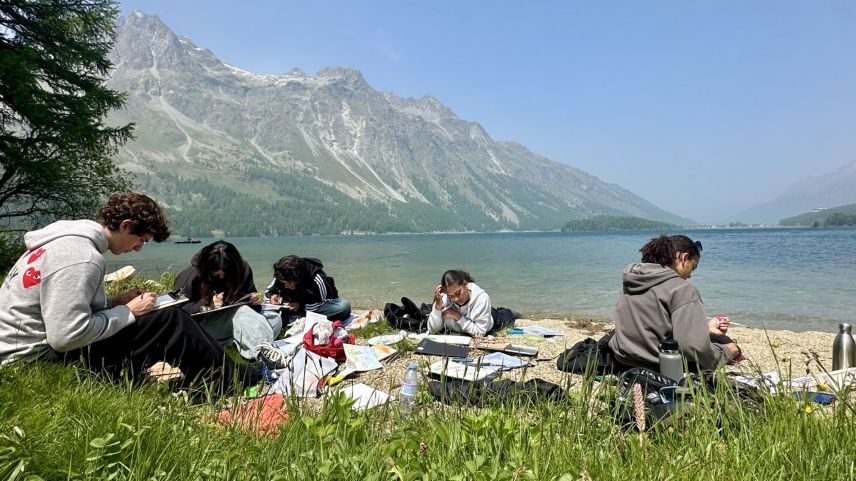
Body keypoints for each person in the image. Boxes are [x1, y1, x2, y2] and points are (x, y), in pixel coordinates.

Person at [0, 192, 262, 391]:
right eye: (142, 240)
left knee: (160, 317)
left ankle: (209, 379)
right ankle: (233, 380)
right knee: (168, 319)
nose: (138, 248)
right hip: (34, 359)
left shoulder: (62, 244)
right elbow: (65, 337)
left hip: (20, 349)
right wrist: (127, 312)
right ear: (125, 226)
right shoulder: (81, 257)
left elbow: (59, 310)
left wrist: (114, 302)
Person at [607, 234, 740, 372]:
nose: (689, 276)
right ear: (683, 258)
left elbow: (649, 327)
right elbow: (693, 348)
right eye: (692, 267)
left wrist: (704, 329)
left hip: (623, 360)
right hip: (659, 365)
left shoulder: (633, 280)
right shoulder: (682, 289)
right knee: (726, 343)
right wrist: (727, 352)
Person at [174, 241, 282, 361]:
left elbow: (253, 307)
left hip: (235, 321)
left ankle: (240, 342)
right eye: (216, 274)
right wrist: (207, 304)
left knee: (274, 318)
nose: (221, 277)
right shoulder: (192, 275)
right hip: (204, 327)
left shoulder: (243, 268)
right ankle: (264, 357)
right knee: (242, 313)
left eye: (226, 274)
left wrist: (253, 301)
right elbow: (178, 313)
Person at [263, 255, 351, 322]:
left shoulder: (317, 279)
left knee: (343, 306)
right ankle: (295, 319)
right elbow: (267, 293)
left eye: (289, 283)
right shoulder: (282, 275)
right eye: (284, 283)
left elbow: (324, 302)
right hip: (290, 308)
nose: (286, 286)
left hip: (314, 308)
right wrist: (272, 297)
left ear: (297, 278)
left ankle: (291, 319)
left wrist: (300, 306)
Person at [427, 270, 494, 336]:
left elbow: (480, 332)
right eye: (450, 296)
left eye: (458, 293)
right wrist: (437, 308)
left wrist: (458, 316)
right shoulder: (443, 298)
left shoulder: (482, 299)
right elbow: (432, 330)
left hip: (488, 319)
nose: (456, 299)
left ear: (465, 284)